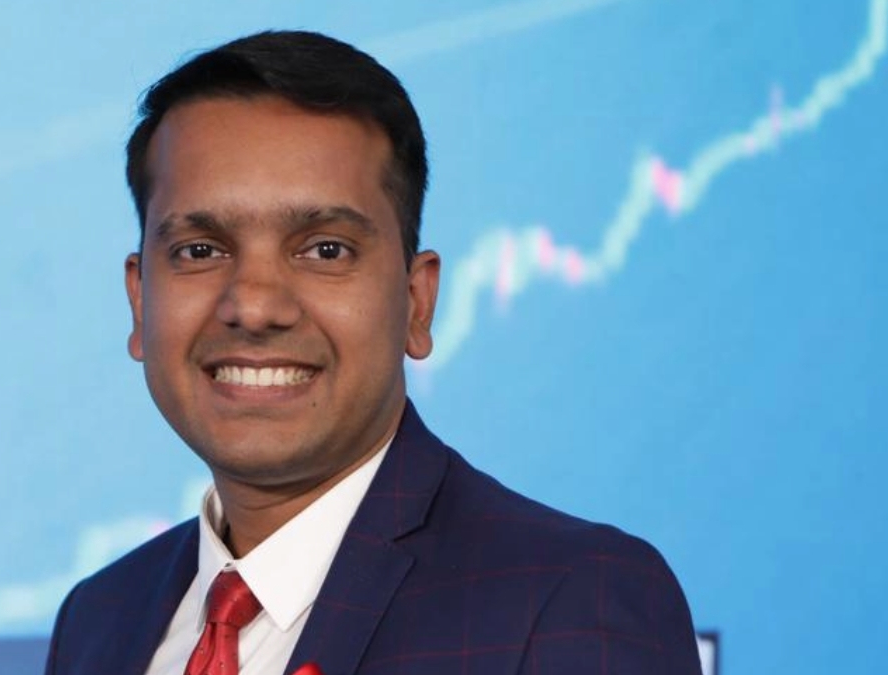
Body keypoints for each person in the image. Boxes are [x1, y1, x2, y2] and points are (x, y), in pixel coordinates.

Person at [45, 30, 702, 675]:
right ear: (140, 300)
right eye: (200, 250)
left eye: (325, 249)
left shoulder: (574, 599)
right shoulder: (100, 618)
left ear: (417, 302)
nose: (255, 305)